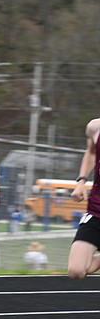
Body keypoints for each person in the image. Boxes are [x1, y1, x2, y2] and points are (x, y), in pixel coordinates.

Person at [68, 117, 100, 281]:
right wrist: (81, 181)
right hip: (96, 211)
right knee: (76, 271)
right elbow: (91, 152)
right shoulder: (95, 127)